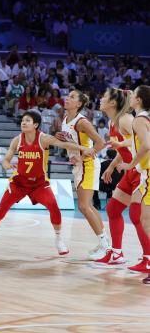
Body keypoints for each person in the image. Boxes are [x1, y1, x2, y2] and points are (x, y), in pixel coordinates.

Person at [0, 111, 94, 256]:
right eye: (23, 120)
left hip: (39, 184)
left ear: (35, 125)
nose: (23, 122)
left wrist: (84, 148)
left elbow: (64, 144)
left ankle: (59, 239)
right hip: (18, 183)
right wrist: (5, 164)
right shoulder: (17, 140)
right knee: (0, 212)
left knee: (54, 207)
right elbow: (6, 159)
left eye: (28, 120)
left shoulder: (44, 139)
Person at [97, 88, 150, 271]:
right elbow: (127, 148)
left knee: (137, 215)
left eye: (104, 96)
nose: (101, 99)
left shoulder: (126, 119)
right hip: (130, 171)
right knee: (113, 209)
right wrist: (111, 166)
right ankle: (117, 253)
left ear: (113, 103)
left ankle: (147, 258)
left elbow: (138, 142)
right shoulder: (114, 122)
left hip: (139, 170)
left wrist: (121, 145)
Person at [60, 90, 108, 260]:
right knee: (88, 206)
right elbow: (70, 142)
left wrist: (85, 154)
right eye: (68, 95)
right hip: (79, 166)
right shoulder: (65, 120)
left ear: (79, 104)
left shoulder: (82, 122)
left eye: (72, 97)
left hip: (88, 165)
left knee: (83, 206)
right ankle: (105, 243)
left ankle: (105, 245)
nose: (67, 98)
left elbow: (101, 142)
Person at [115, 85, 150, 283]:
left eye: (133, 96)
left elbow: (146, 145)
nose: (130, 98)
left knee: (146, 222)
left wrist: (131, 164)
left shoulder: (138, 120)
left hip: (148, 172)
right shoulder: (145, 117)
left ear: (139, 100)